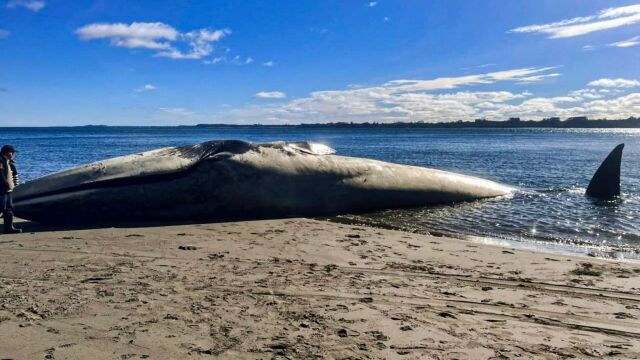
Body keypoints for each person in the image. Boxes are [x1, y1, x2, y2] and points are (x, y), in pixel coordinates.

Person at [1, 145, 22, 234]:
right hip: (2, 190)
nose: (13, 155)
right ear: (8, 152)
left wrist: (15, 186)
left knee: (9, 209)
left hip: (8, 190)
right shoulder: (1, 161)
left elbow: (12, 175)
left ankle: (8, 228)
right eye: (12, 153)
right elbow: (1, 175)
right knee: (1, 207)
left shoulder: (8, 162)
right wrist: (6, 184)